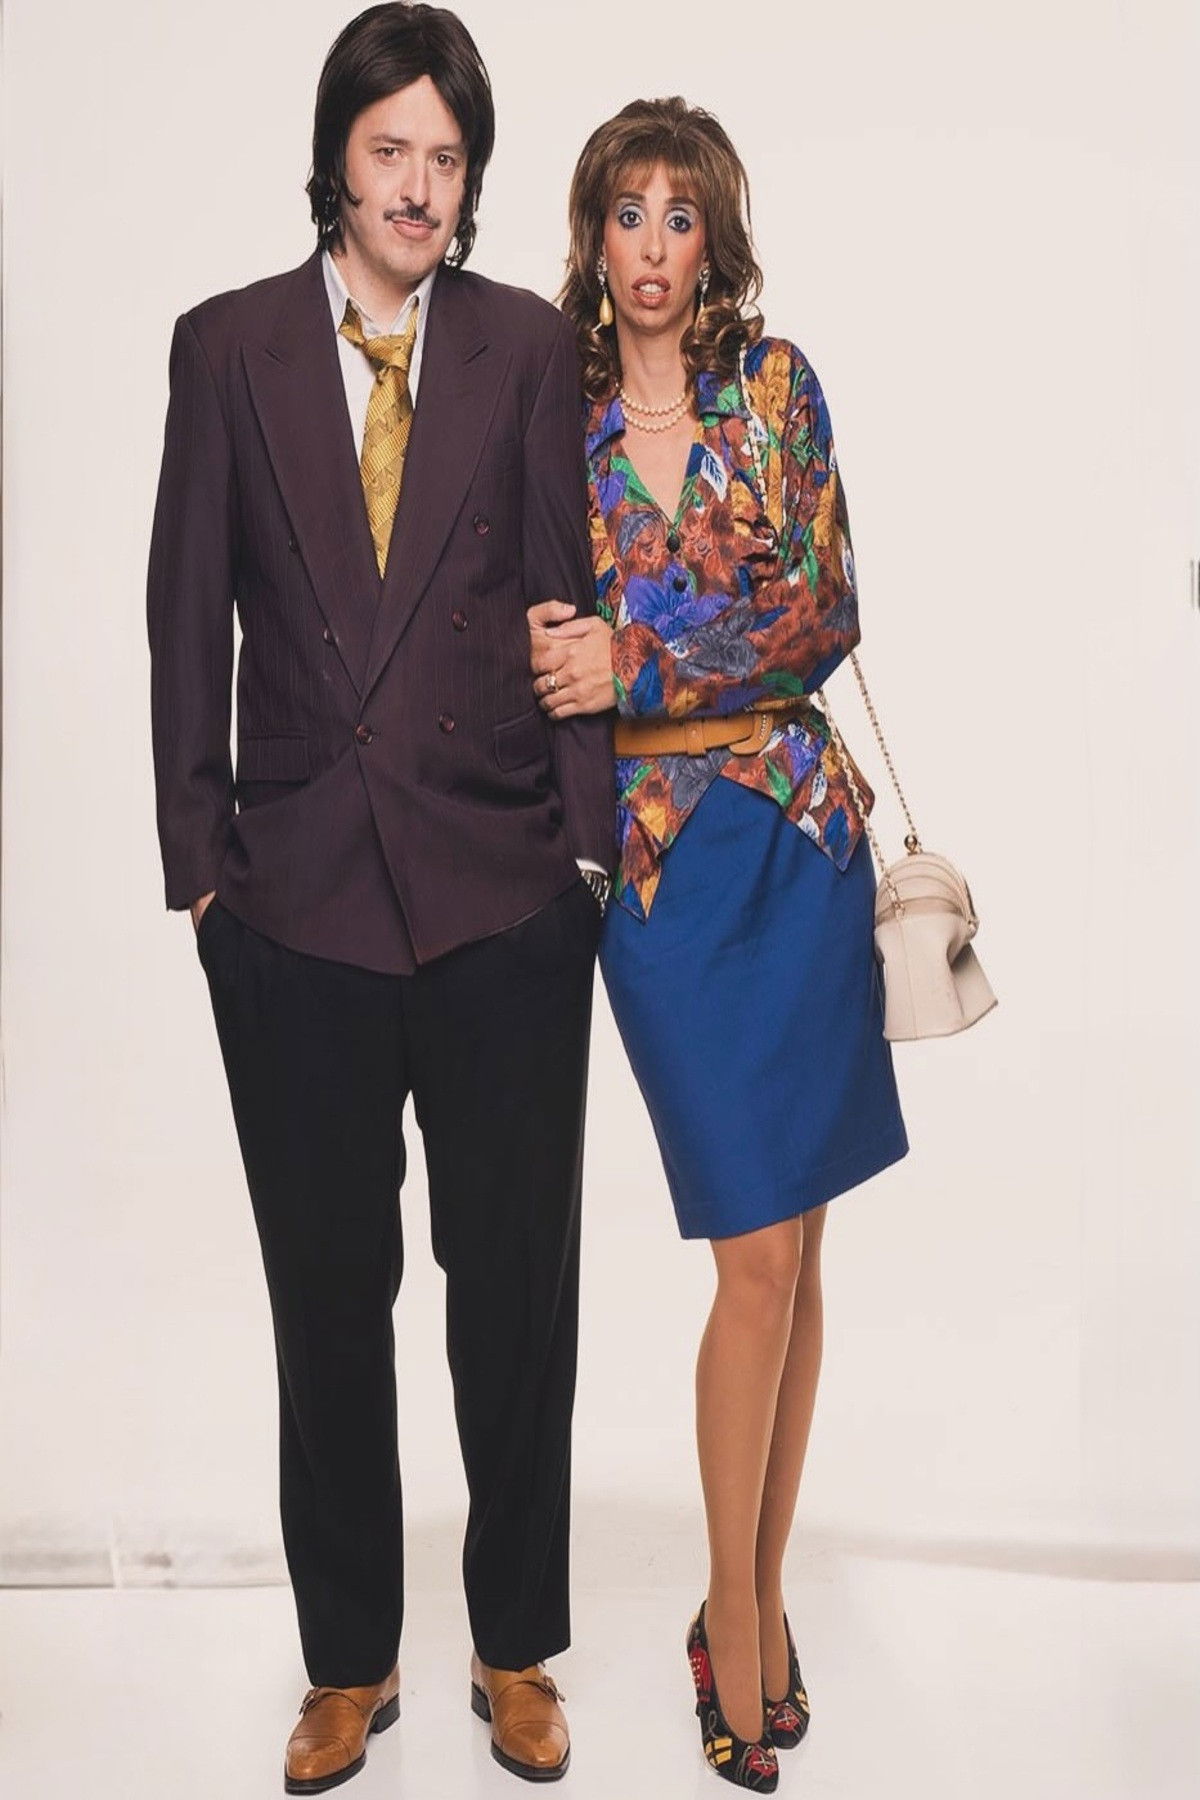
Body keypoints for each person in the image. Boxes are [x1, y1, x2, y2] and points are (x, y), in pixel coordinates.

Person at [147, 5, 614, 1791]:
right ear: (336, 159)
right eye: (390, 150)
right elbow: (185, 617)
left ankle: (515, 1648)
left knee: (516, 1299)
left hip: (504, 899)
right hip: (296, 912)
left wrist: (582, 861)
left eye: (447, 157)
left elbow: (569, 605)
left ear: (471, 179)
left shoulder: (527, 349)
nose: (420, 186)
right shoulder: (228, 349)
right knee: (327, 1298)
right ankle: (348, 1661)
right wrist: (204, 877)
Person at [527, 98, 909, 1792]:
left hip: (800, 843)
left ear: (715, 240)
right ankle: (736, 1613)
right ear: (593, 235)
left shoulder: (777, 389)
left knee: (795, 1258)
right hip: (663, 873)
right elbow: (528, 640)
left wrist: (636, 663)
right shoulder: (553, 422)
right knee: (751, 1258)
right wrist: (575, 666)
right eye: (629, 213)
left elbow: (822, 610)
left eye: (682, 216)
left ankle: (745, 1593)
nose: (655, 246)